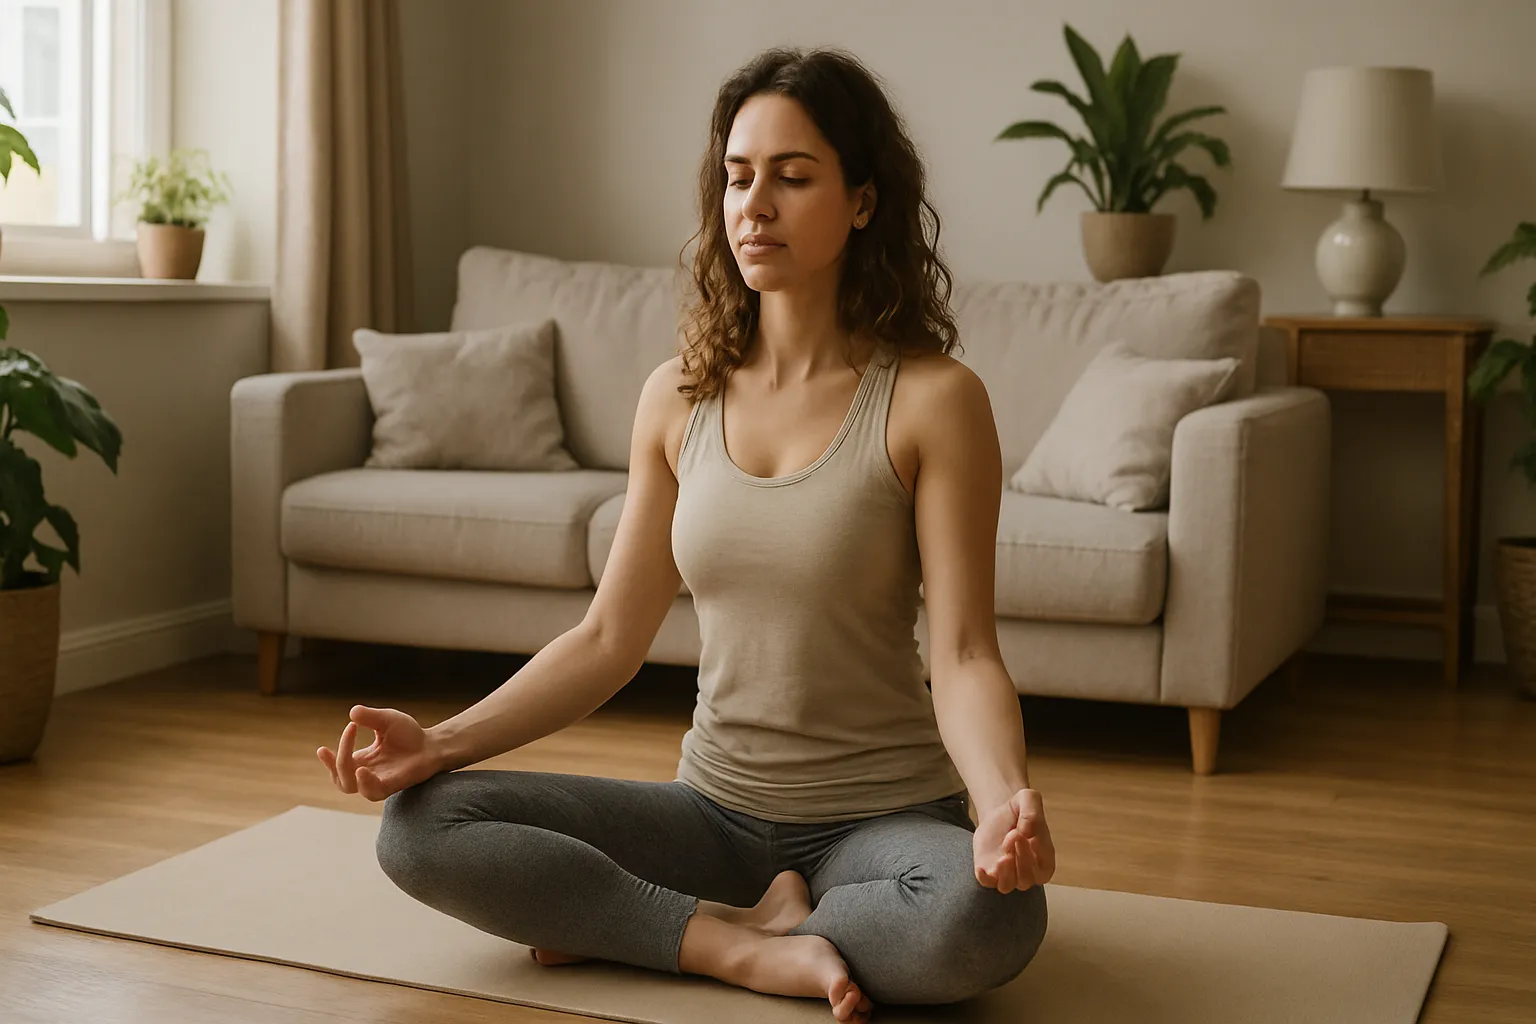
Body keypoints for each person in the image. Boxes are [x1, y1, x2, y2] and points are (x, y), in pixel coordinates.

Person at [316, 45, 1053, 1023]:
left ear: (864, 201)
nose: (756, 205)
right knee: (422, 828)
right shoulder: (677, 397)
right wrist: (439, 742)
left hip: (882, 822)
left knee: (990, 918)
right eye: (738, 178)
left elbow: (962, 653)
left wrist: (1003, 801)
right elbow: (608, 639)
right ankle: (732, 943)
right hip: (710, 813)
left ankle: (689, 924)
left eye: (794, 178)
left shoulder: (932, 400)